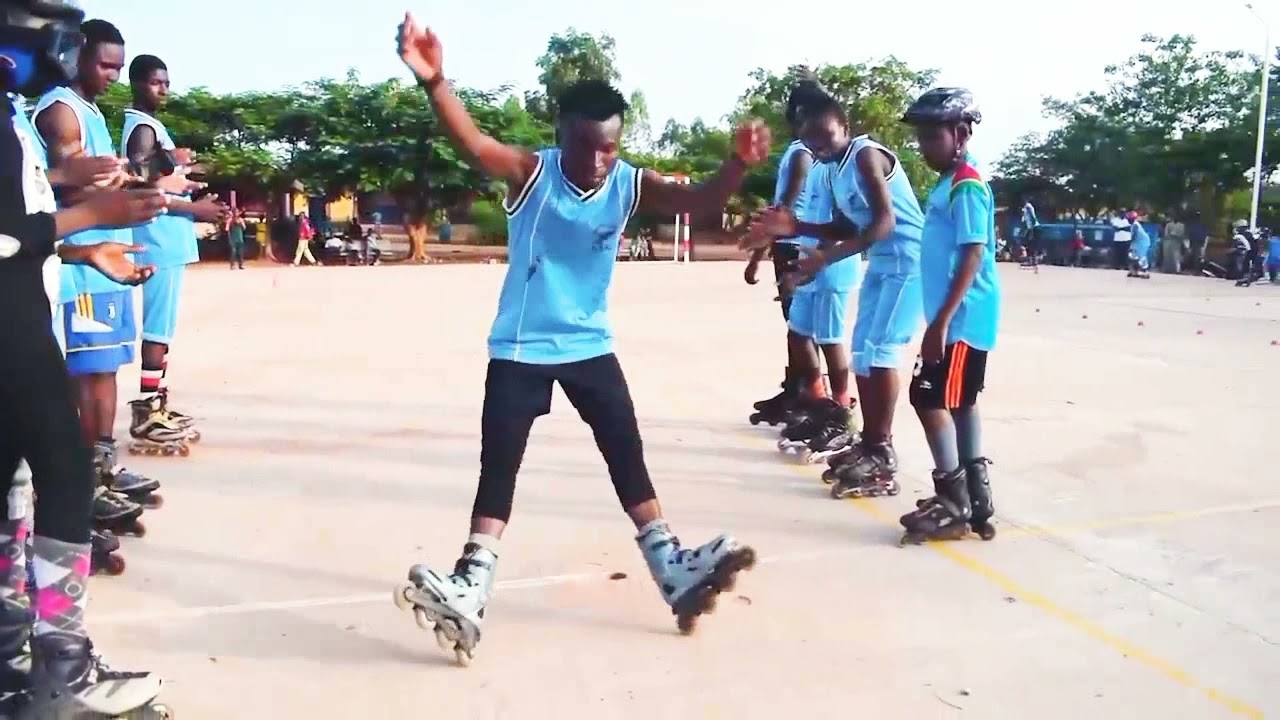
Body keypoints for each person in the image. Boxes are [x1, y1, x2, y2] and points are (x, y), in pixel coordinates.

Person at [391, 13, 767, 663]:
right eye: (586, 147)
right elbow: (473, 144)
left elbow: (697, 203)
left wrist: (735, 164)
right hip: (521, 347)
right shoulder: (531, 173)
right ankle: (473, 583)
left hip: (589, 343)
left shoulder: (628, 182)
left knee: (626, 451)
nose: (597, 161)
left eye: (609, 148)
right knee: (500, 464)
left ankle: (670, 567)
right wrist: (435, 81)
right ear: (560, 134)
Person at [0, 2, 171, 714]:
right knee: (66, 474)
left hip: (19, 309)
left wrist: (81, 247)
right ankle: (62, 669)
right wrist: (91, 216)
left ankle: (10, 655)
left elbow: (18, 226)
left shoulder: (9, 112)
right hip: (9, 324)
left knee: (11, 484)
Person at [745, 90, 926, 501]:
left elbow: (883, 222)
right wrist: (796, 229)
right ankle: (870, 441)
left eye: (826, 136)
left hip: (910, 260)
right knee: (862, 353)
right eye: (811, 141)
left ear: (845, 126)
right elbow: (845, 226)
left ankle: (881, 451)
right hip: (882, 263)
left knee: (880, 353)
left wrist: (825, 259)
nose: (820, 146)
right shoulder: (830, 170)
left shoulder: (864, 155)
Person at [31, 18, 160, 507]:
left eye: (118, 67)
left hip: (104, 260)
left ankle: (101, 469)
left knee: (105, 369)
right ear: (77, 56)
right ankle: (85, 481)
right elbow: (65, 187)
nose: (112, 75)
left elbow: (99, 180)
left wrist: (137, 184)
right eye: (105, 65)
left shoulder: (88, 111)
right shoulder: (61, 110)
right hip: (81, 266)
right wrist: (128, 192)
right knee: (89, 373)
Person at [895, 87, 1000, 543]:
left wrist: (939, 324)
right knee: (959, 401)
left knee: (927, 397)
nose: (924, 146)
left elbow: (973, 254)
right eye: (920, 137)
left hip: (961, 319)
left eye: (931, 137)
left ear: (960, 133)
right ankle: (975, 500)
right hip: (955, 318)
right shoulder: (950, 181)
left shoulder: (967, 184)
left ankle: (955, 501)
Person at [122, 53, 224, 453]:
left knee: (163, 327)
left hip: (168, 239)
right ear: (136, 83)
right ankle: (147, 413)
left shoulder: (150, 125)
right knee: (157, 328)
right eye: (155, 82)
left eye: (166, 82)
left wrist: (183, 174)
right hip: (158, 240)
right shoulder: (142, 127)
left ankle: (157, 403)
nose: (163, 89)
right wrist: (194, 207)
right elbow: (139, 182)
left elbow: (155, 176)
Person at [746, 79, 820, 428]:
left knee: (801, 327)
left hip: (794, 245)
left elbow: (783, 211)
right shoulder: (803, 151)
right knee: (796, 326)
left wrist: (756, 256)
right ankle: (795, 389)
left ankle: (811, 397)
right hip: (792, 243)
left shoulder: (803, 152)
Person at [1127, 212, 1151, 279]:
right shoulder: (1132, 225)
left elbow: (1133, 236)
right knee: (1133, 256)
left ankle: (1146, 272)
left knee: (1142, 257)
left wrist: (1130, 243)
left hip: (1143, 242)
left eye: (1131, 219)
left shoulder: (1135, 225)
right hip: (1137, 242)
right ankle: (1134, 271)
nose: (1129, 220)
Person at [1020, 198, 1039, 268]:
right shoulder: (1025, 207)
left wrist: (1032, 227)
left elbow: (1032, 216)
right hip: (1030, 228)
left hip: (1032, 228)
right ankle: (1031, 260)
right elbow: (1025, 220)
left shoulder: (1028, 206)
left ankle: (1032, 261)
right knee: (1028, 244)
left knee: (1030, 244)